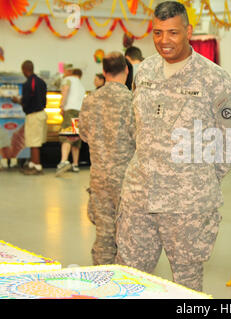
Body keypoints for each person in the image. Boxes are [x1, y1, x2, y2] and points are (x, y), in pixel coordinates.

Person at [115, 1, 231, 292]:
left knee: (185, 284)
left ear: (188, 31)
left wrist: (204, 176)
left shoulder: (213, 78)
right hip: (140, 196)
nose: (164, 41)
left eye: (172, 32)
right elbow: (138, 126)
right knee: (129, 276)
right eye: (158, 33)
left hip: (188, 203)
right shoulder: (145, 71)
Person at [79, 52, 135, 265]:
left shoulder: (90, 99)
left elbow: (83, 134)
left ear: (103, 72)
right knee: (127, 237)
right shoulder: (131, 100)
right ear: (127, 70)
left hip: (99, 177)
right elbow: (138, 138)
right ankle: (124, 285)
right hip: (126, 179)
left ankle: (101, 283)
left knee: (103, 234)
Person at [11, 60, 48, 175]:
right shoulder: (42, 82)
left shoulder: (28, 83)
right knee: (34, 140)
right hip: (42, 113)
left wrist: (18, 100)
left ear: (24, 70)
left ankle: (37, 166)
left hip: (33, 115)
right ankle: (32, 163)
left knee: (34, 142)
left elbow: (26, 102)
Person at [56, 67, 86, 176]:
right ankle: (75, 164)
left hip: (70, 110)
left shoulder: (68, 79)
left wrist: (62, 105)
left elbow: (66, 89)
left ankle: (63, 161)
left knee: (67, 135)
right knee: (76, 138)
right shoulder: (82, 86)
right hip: (80, 112)